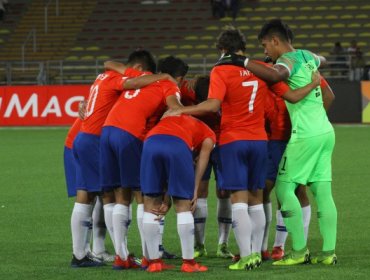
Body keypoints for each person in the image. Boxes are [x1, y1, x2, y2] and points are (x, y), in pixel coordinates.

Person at [165, 26, 320, 270]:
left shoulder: (221, 70)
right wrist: (312, 85)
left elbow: (213, 104)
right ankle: (258, 252)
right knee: (257, 199)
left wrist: (181, 109)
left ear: (222, 49)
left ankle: (247, 255)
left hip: (233, 140)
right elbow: (289, 96)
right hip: (260, 141)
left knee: (239, 199)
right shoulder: (263, 70)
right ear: (243, 49)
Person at [218, 19, 338, 266]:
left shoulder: (286, 63)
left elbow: (277, 74)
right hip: (326, 132)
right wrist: (316, 63)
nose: (264, 52)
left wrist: (241, 61)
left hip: (304, 135)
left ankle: (298, 251)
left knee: (284, 189)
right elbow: (322, 59)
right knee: (322, 191)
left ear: (275, 41)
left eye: (265, 46)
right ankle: (328, 253)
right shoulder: (306, 56)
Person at [70, 50, 174, 268]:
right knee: (115, 195)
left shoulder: (103, 77)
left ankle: (97, 253)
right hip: (97, 139)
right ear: (137, 70)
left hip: (82, 137)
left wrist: (84, 103)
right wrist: (161, 77)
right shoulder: (120, 80)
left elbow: (109, 63)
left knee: (91, 195)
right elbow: (130, 81)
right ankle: (115, 254)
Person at [100, 55, 187, 270]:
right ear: (177, 77)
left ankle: (122, 257)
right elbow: (174, 108)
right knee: (143, 195)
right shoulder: (168, 84)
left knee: (121, 194)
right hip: (130, 134)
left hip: (107, 130)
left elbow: (110, 63)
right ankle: (150, 257)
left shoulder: (140, 76)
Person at [141, 114, 215, 273]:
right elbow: (202, 162)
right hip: (178, 144)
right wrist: (194, 189)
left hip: (150, 142)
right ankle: (189, 263)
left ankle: (154, 262)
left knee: (150, 202)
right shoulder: (210, 135)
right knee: (183, 205)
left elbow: (170, 175)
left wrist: (166, 200)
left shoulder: (177, 120)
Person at [180, 76, 234, 259]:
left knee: (224, 192)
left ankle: (223, 244)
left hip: (222, 145)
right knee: (200, 192)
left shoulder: (224, 97)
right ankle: (199, 244)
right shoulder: (187, 95)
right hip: (200, 145)